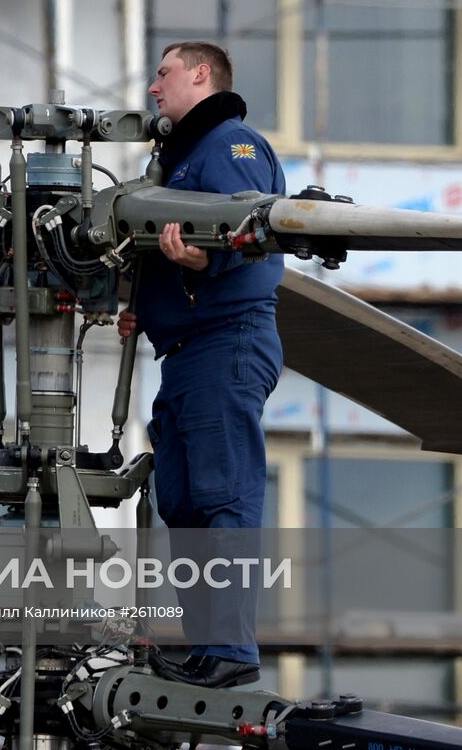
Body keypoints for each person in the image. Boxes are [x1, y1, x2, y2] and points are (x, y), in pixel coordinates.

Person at [118, 41, 285, 689]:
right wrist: (148, 305)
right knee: (184, 501)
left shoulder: (229, 144)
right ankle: (205, 651)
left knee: (223, 497)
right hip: (184, 352)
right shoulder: (178, 162)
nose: (153, 88)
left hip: (226, 342)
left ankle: (230, 654)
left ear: (199, 74)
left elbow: (247, 225)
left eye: (162, 74)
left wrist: (199, 260)